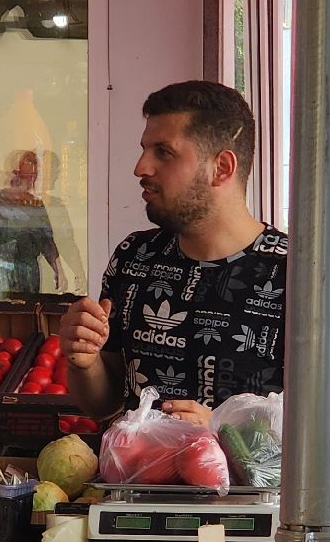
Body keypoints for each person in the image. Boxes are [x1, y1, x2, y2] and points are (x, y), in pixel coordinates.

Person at [58, 81, 287, 424]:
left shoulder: (293, 276)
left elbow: (325, 428)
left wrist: (221, 431)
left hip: (242, 480)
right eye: (145, 149)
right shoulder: (134, 257)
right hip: (132, 476)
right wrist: (85, 362)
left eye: (163, 152)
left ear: (221, 168)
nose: (140, 167)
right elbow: (104, 405)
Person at [0, 151, 66, 295]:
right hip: (2, 271)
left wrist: (58, 269)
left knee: (27, 312)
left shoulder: (36, 204)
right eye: (23, 175)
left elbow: (47, 241)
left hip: (29, 274)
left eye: (31, 176)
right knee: (5, 312)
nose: (27, 181)